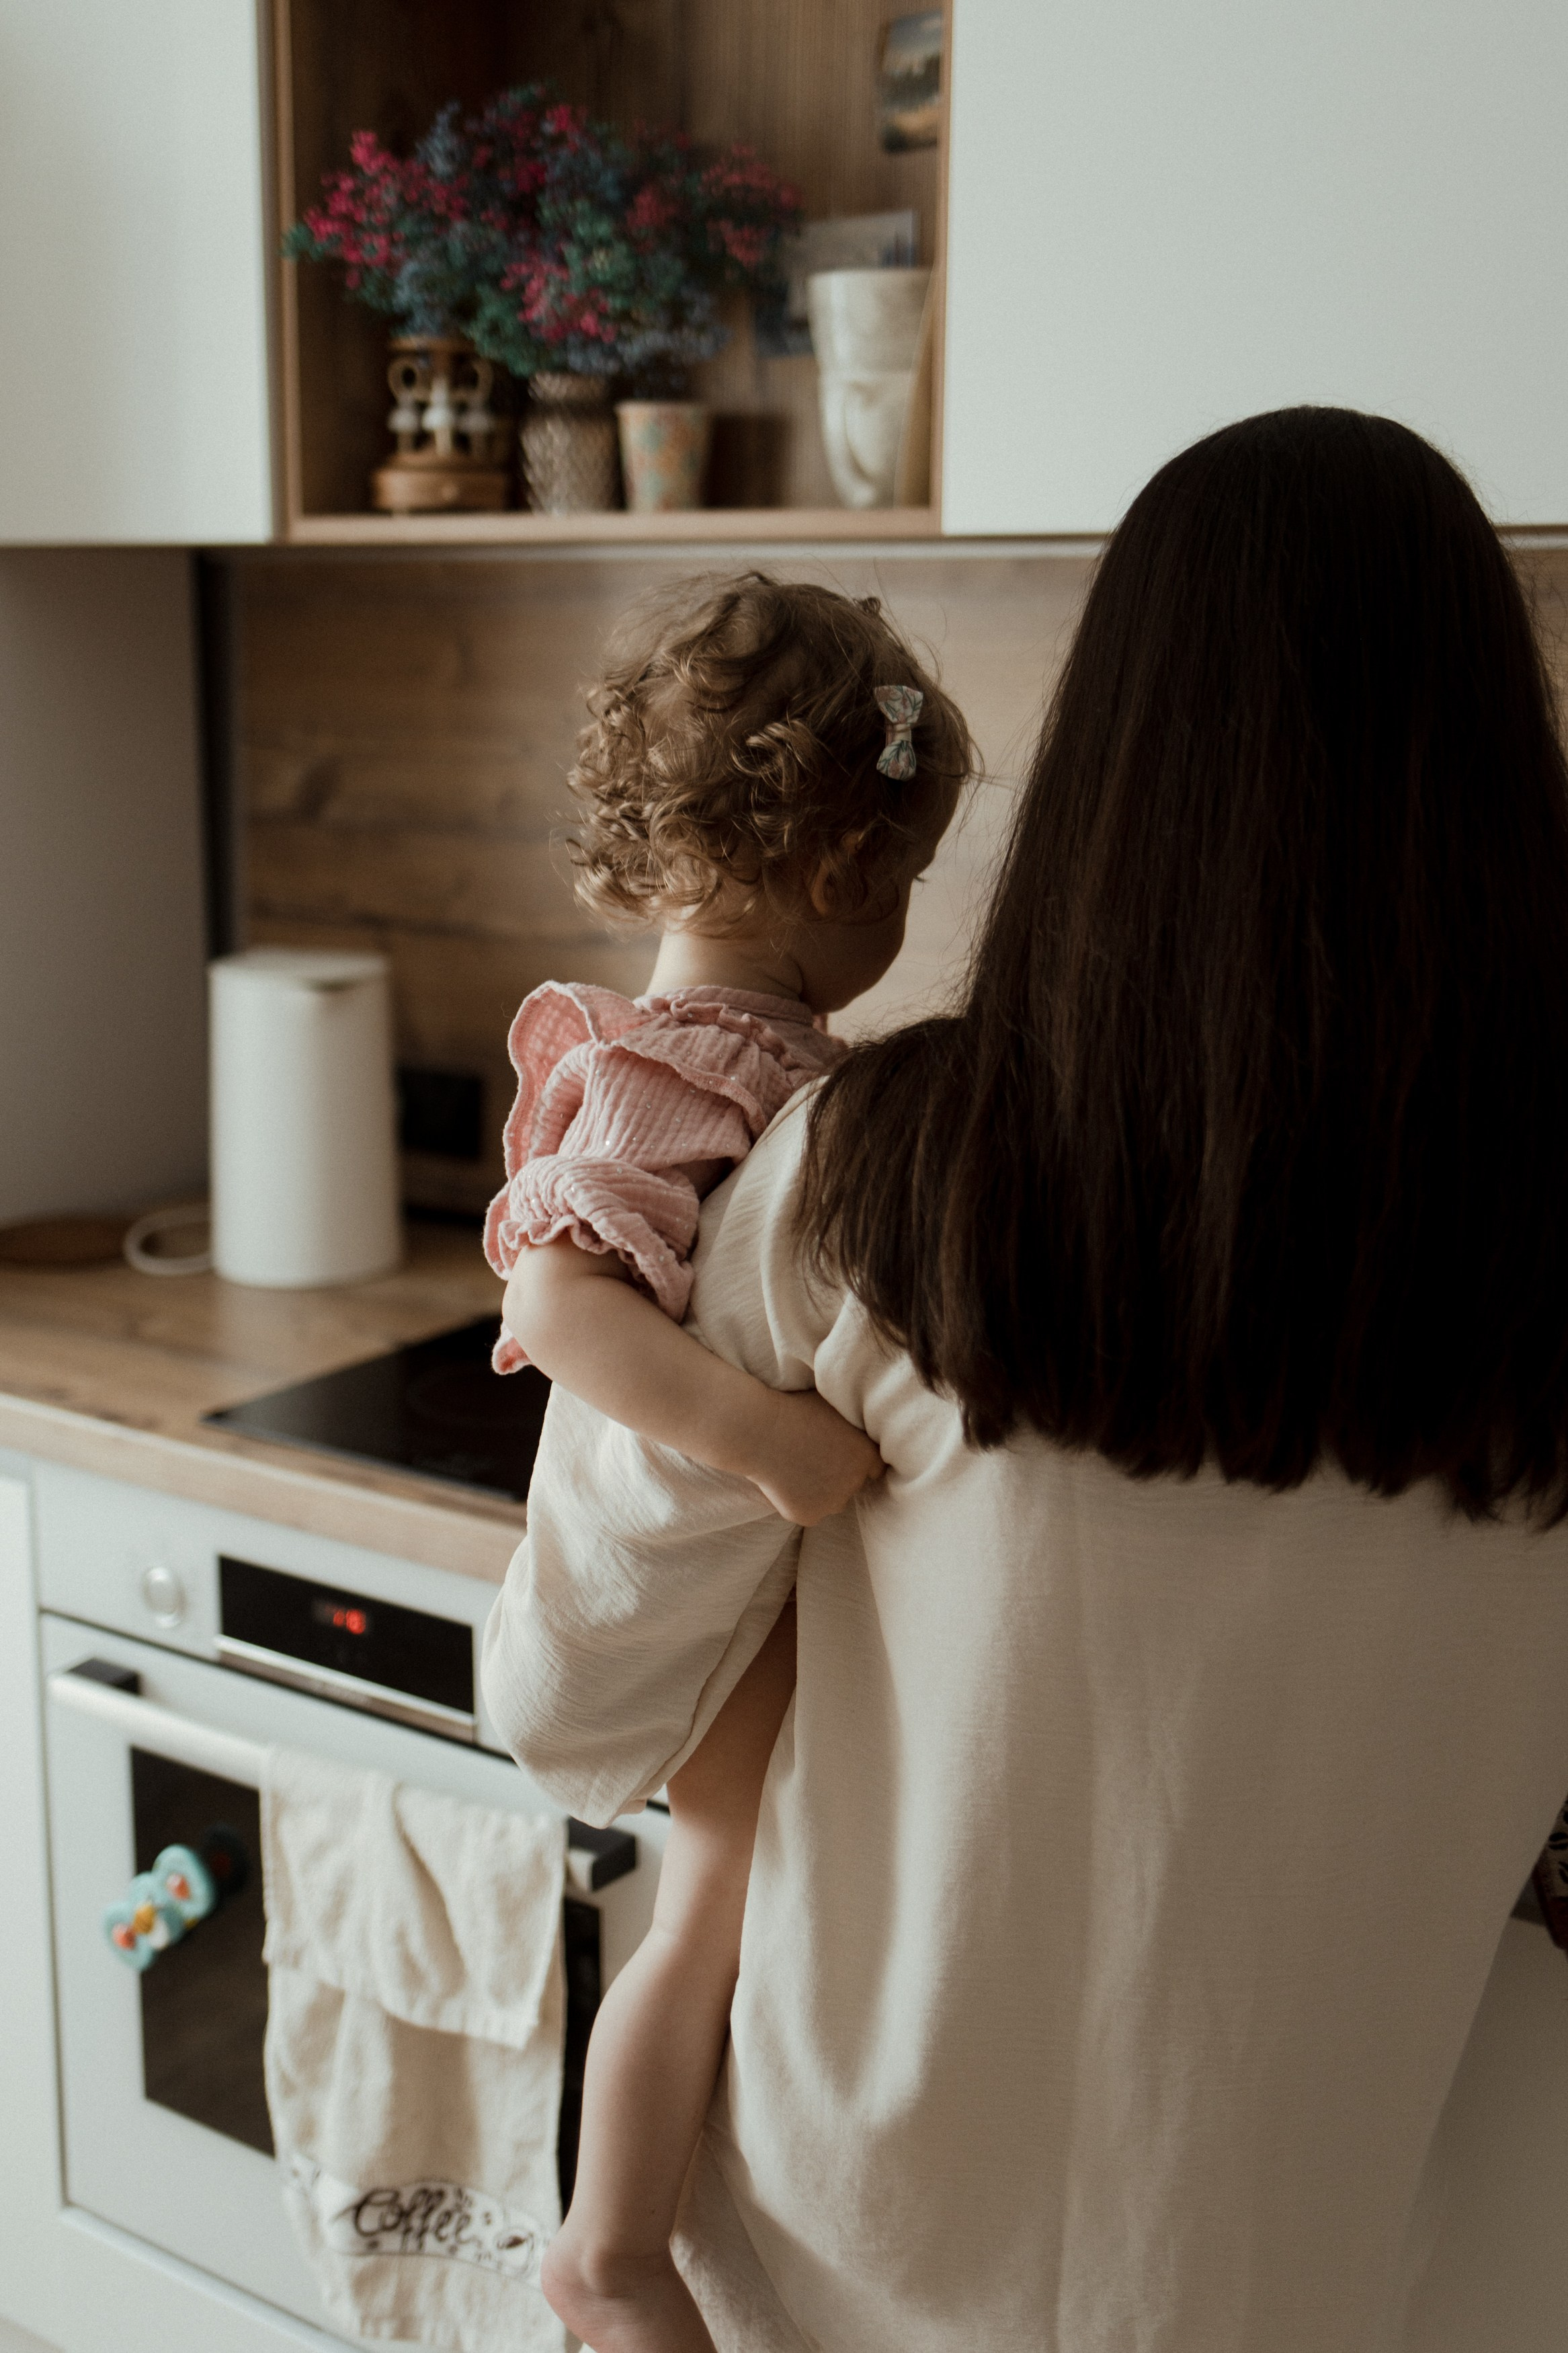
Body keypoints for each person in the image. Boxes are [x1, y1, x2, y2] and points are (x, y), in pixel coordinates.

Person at [484, 409, 1568, 2353]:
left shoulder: (872, 1175)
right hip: (1339, 2270)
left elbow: (563, 1702)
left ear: (1113, 759)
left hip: (848, 2268)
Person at [480, 573, 973, 2352]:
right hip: (647, 1599)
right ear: (843, 873)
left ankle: (637, 2240)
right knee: (709, 1904)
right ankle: (606, 2254)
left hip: (714, 1594)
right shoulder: (680, 1062)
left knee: (736, 1897)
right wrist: (767, 1440)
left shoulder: (756, 1060)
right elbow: (560, 1297)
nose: (903, 917)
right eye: (907, 883)